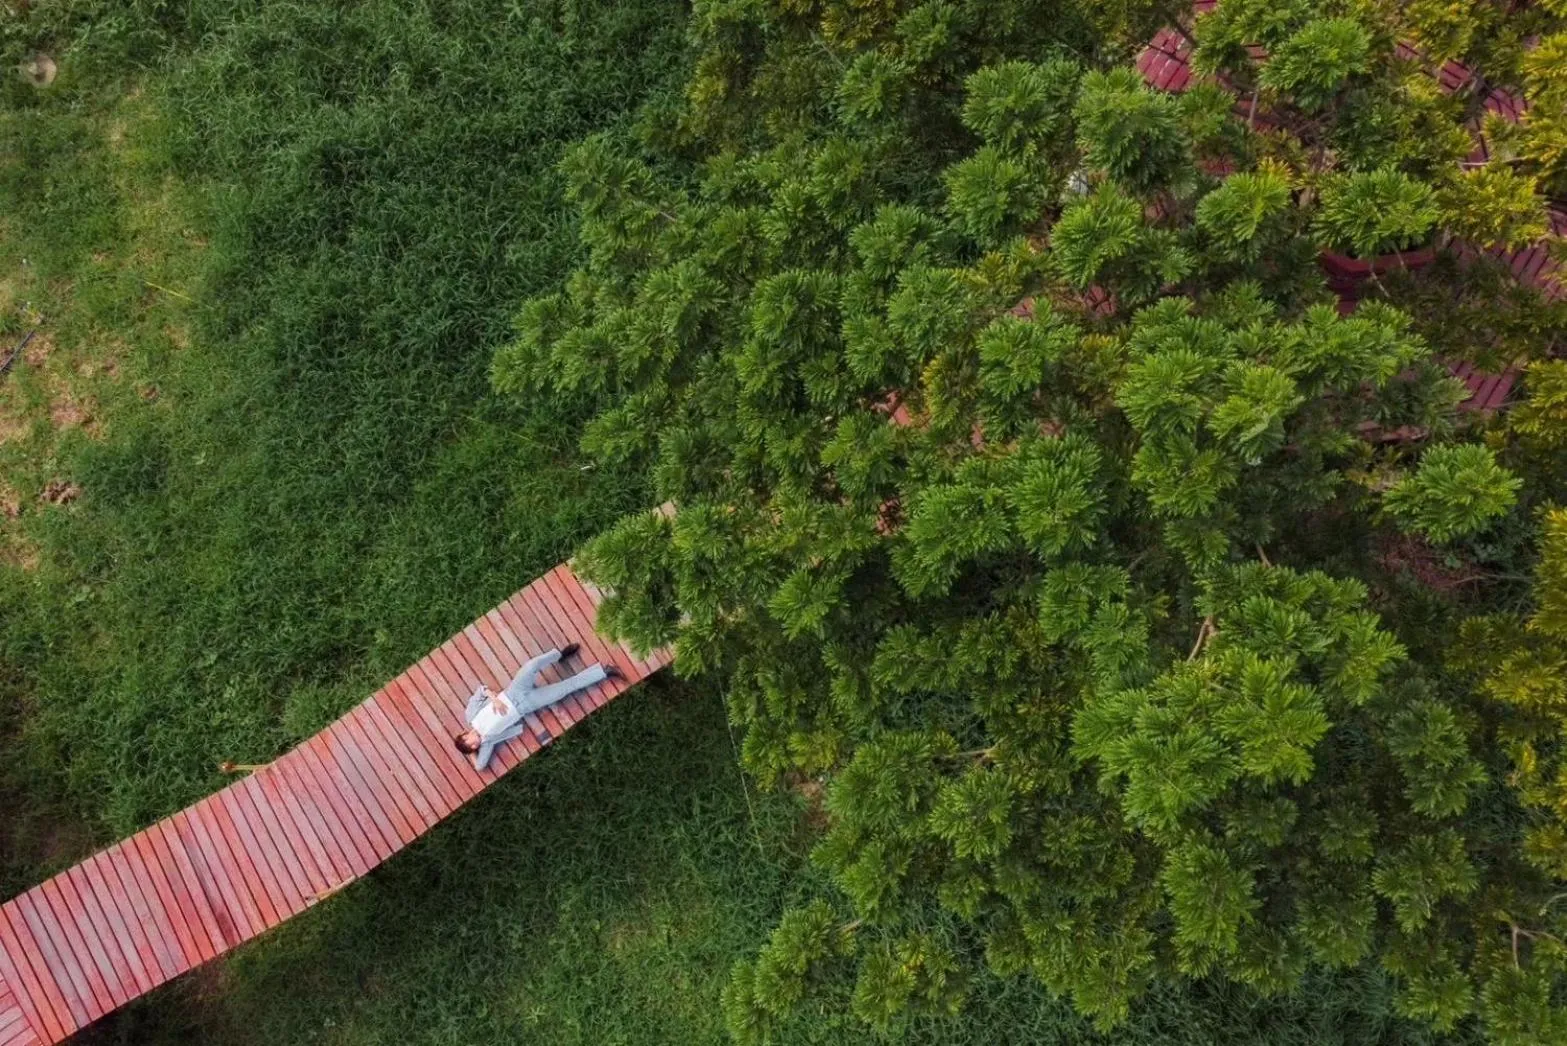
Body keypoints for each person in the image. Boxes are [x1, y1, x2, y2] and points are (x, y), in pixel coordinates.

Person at [453, 643, 622, 770]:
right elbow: (479, 766)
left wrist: (494, 698)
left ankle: (559, 655)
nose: (475, 744)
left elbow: (480, 690)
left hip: (514, 690)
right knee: (565, 688)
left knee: (532, 665)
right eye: (473, 747)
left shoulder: (471, 715)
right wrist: (470, 752)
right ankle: (604, 671)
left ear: (464, 734)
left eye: (469, 742)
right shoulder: (488, 741)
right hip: (526, 705)